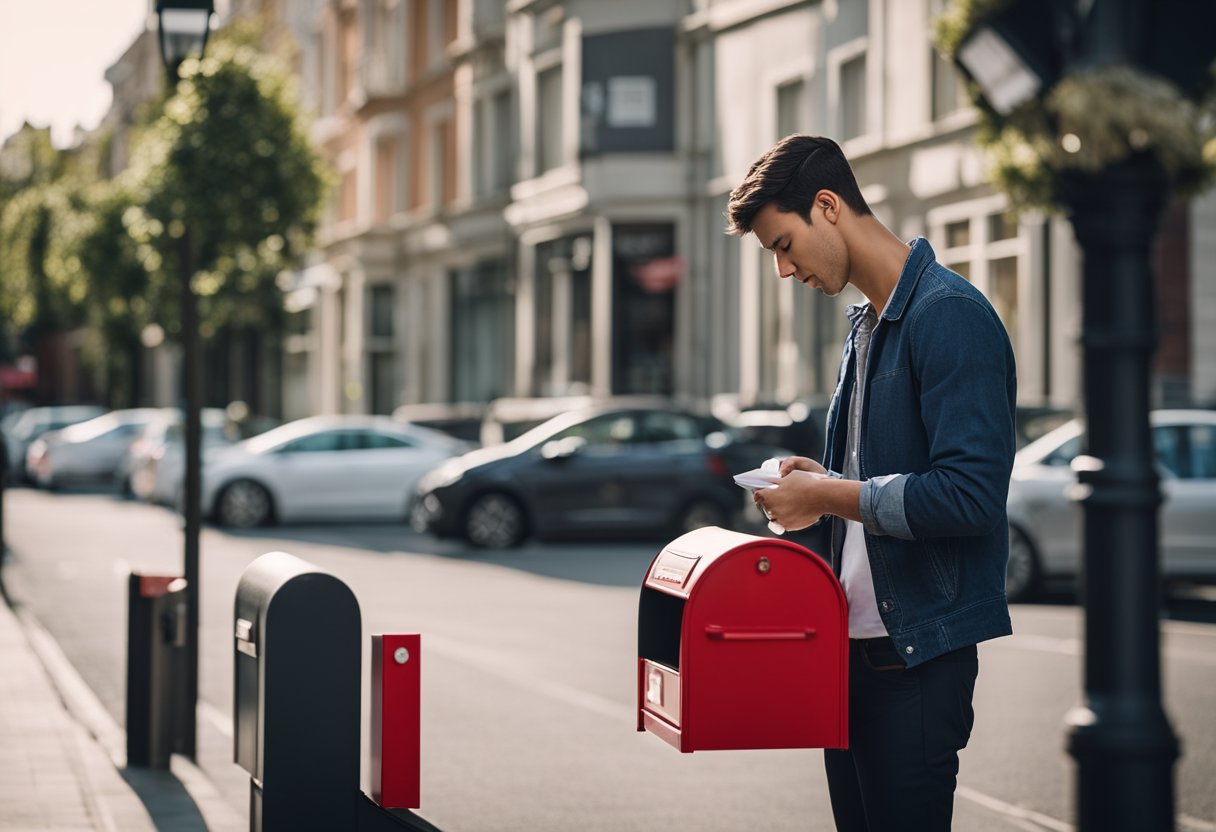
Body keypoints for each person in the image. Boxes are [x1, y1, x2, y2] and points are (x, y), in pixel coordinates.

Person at [726, 134, 1017, 832]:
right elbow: (887, 480)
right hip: (849, 657)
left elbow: (970, 496)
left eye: (783, 244)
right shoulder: (864, 329)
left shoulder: (948, 314)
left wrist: (829, 495)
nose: (784, 269)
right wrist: (821, 480)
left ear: (827, 206)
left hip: (914, 664)